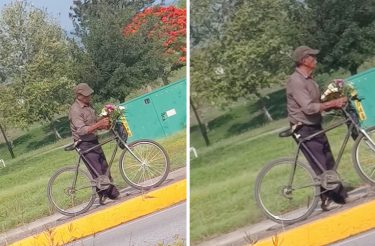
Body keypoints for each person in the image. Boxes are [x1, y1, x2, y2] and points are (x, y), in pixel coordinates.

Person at [286, 46, 348, 210]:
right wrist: (332, 103)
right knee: (320, 164)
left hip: (314, 124)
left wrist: (334, 103)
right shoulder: (296, 81)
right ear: (303, 61)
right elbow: (308, 108)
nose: (315, 59)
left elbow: (317, 104)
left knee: (328, 160)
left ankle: (329, 197)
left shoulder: (310, 79)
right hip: (303, 127)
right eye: (312, 56)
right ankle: (336, 196)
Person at [69, 83, 120, 204]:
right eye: (86, 95)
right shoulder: (75, 110)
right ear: (78, 95)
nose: (89, 97)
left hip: (92, 140)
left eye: (89, 95)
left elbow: (93, 122)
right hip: (83, 143)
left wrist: (104, 120)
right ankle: (112, 194)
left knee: (104, 167)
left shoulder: (88, 106)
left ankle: (106, 194)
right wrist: (98, 125)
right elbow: (81, 130)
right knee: (98, 171)